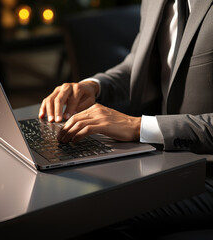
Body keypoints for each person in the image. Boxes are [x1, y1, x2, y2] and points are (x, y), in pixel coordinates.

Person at [39, 0, 213, 238]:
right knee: (64, 191)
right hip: (165, 159)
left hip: (206, 171)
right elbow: (138, 64)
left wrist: (137, 126)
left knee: (94, 214)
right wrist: (93, 87)